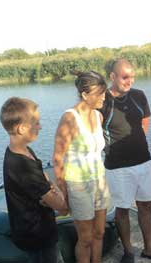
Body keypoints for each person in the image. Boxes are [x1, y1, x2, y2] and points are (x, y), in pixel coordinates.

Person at [100, 59, 151, 263]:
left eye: (132, 76)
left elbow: (144, 123)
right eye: (125, 77)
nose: (129, 81)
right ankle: (128, 252)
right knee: (122, 209)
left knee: (146, 206)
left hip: (143, 162)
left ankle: (149, 249)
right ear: (113, 77)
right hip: (117, 167)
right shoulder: (103, 101)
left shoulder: (139, 95)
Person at [53, 71, 111, 263]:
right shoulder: (70, 119)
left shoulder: (98, 116)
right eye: (100, 93)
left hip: (99, 181)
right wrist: (63, 192)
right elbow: (58, 158)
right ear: (85, 95)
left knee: (100, 232)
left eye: (105, 92)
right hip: (78, 184)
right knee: (85, 238)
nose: (104, 97)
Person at [0, 97, 67, 263]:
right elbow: (61, 207)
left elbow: (44, 178)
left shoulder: (22, 151)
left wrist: (50, 190)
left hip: (35, 232)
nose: (40, 126)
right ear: (22, 128)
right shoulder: (22, 165)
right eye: (36, 122)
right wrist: (57, 196)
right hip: (37, 237)